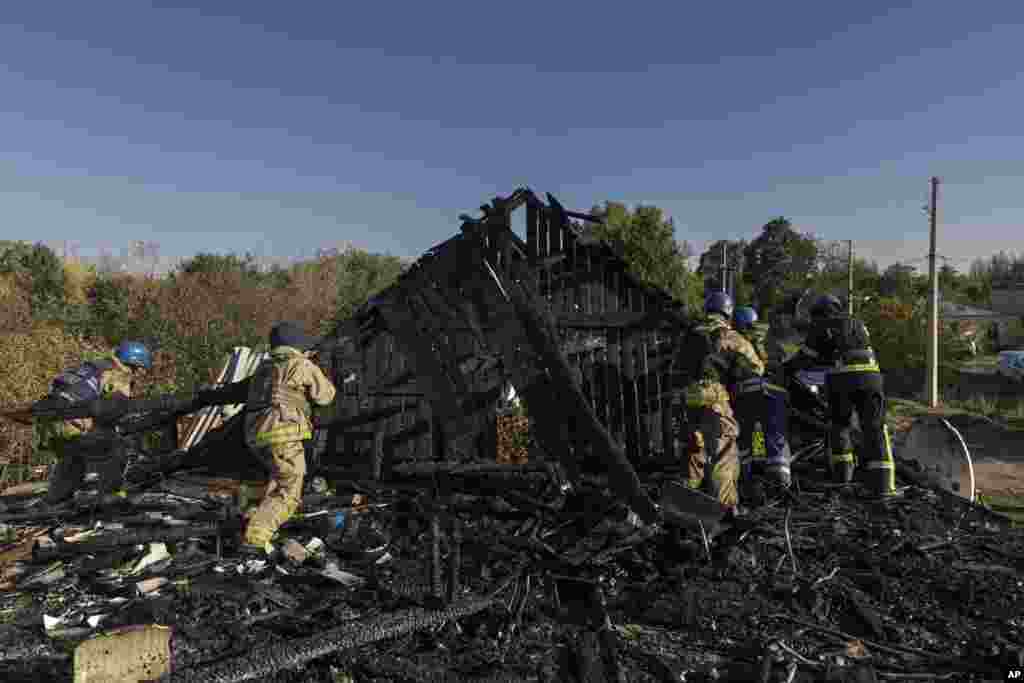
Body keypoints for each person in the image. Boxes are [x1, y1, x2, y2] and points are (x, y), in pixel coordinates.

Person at [240, 321, 337, 556]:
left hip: (256, 435)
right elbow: (326, 396)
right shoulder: (302, 365)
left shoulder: (264, 368)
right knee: (289, 490)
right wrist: (319, 368)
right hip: (282, 434)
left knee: (276, 479)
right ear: (297, 347)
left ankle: (246, 510)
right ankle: (254, 539)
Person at [784, 294, 896, 497]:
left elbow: (806, 358)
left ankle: (842, 480)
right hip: (872, 377)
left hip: (843, 380)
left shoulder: (822, 325)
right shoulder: (857, 323)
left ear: (820, 313)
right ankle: (883, 485)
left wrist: (783, 370)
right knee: (876, 428)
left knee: (840, 427)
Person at [676, 292, 763, 508]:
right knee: (724, 451)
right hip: (714, 396)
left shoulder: (691, 333)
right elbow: (757, 368)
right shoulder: (728, 335)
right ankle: (725, 508)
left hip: (687, 397)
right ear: (728, 313)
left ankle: (686, 499)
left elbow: (677, 367)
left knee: (695, 449)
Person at [40, 341, 153, 504]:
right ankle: (110, 495)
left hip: (47, 427)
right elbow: (117, 411)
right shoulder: (119, 375)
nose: (141, 374)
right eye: (142, 369)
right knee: (120, 446)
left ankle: (55, 498)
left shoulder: (91, 367)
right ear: (135, 364)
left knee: (72, 455)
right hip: (71, 425)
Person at [732, 306, 792, 488]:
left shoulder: (735, 342)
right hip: (774, 396)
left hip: (746, 395)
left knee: (743, 440)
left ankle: (744, 480)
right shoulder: (772, 341)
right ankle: (780, 482)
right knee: (776, 438)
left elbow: (731, 371)